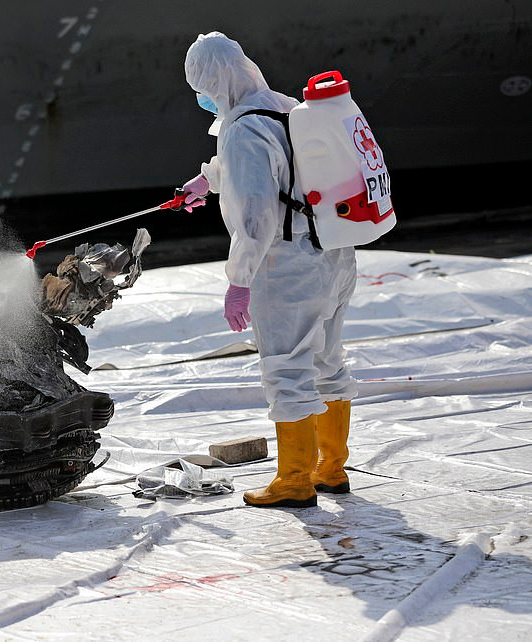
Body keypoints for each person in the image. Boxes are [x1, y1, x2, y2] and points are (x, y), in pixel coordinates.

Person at [180, 32, 357, 508]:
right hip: (334, 254)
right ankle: (331, 468)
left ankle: (294, 481)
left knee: (287, 368)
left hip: (288, 266)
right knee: (327, 361)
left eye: (202, 87)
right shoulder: (285, 105)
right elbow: (286, 171)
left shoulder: (241, 129)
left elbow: (257, 214)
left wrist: (239, 281)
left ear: (213, 83)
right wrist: (211, 178)